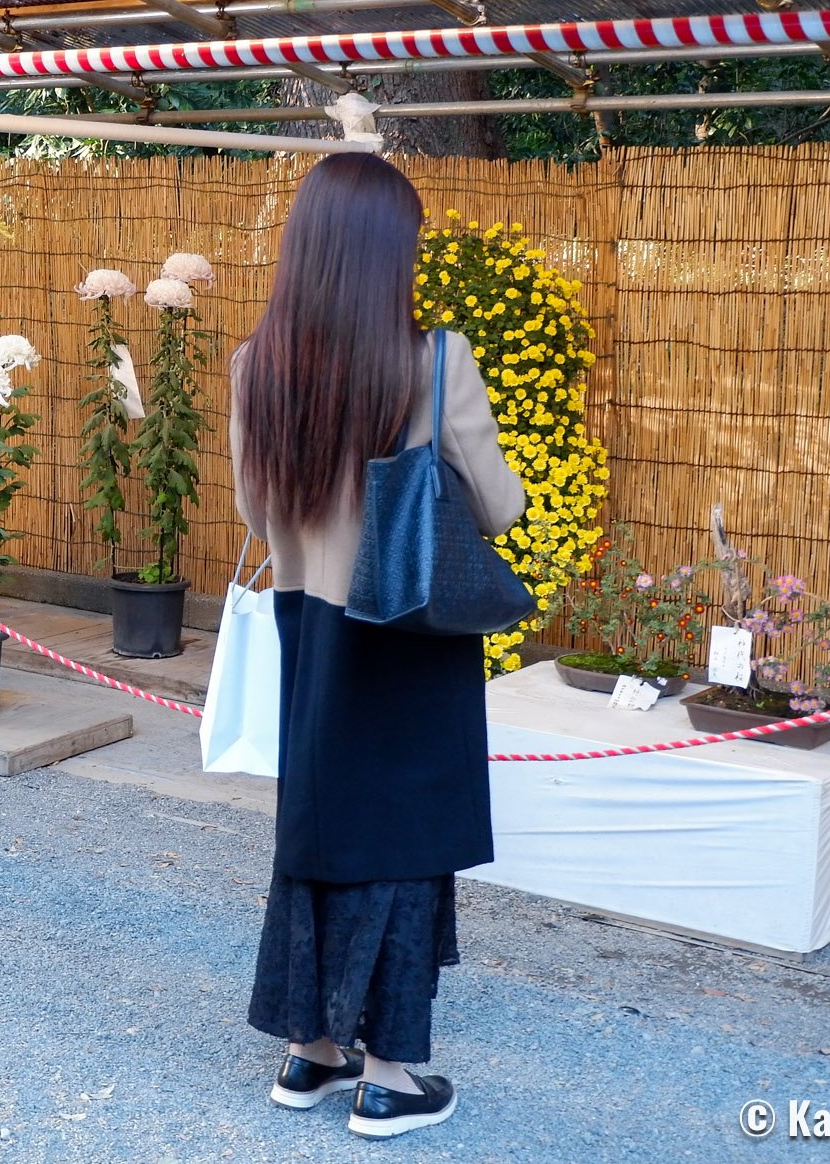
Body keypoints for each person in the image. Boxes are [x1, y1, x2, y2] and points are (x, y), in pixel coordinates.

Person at [228, 152, 525, 1139]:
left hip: (310, 623)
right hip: (406, 627)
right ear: (389, 255)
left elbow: (250, 508)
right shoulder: (433, 361)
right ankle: (391, 1074)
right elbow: (502, 504)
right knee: (403, 836)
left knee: (317, 819)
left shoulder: (253, 367)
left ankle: (308, 1050)